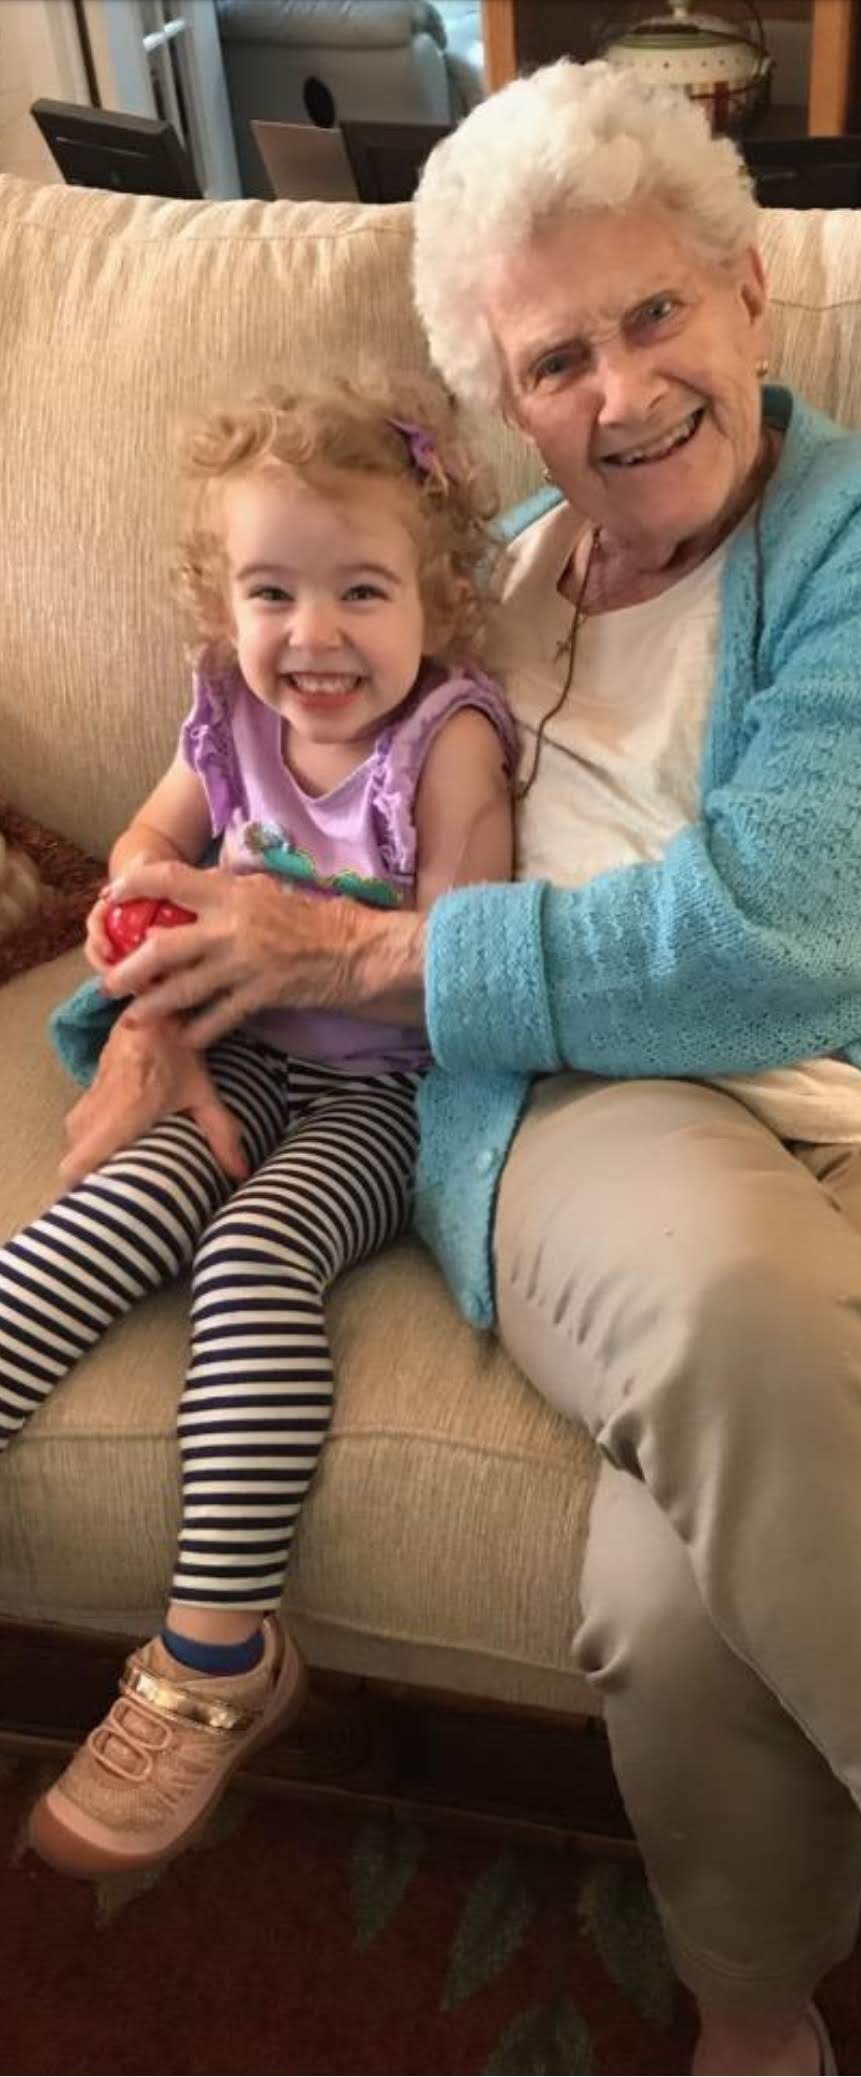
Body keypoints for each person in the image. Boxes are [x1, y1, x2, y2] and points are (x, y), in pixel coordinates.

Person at [44, 58, 861, 2076]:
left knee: (680, 1605)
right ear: (507, 404)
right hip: (581, 1123)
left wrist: (376, 956)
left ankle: (754, 2020)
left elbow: (803, 923)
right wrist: (149, 1015)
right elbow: (249, 846)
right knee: (723, 1292)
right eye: (555, 360)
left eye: (654, 312)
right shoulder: (474, 589)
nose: (622, 390)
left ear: (750, 292)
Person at [1, 372, 515, 1879]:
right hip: (233, 1055)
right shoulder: (226, 709)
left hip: (383, 1091)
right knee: (97, 1218)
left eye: (362, 589)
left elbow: (463, 956)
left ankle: (216, 1655)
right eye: (271, 591)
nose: (313, 633)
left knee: (250, 1257)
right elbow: (148, 837)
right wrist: (136, 924)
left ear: (439, 599)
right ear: (222, 602)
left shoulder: (449, 741)